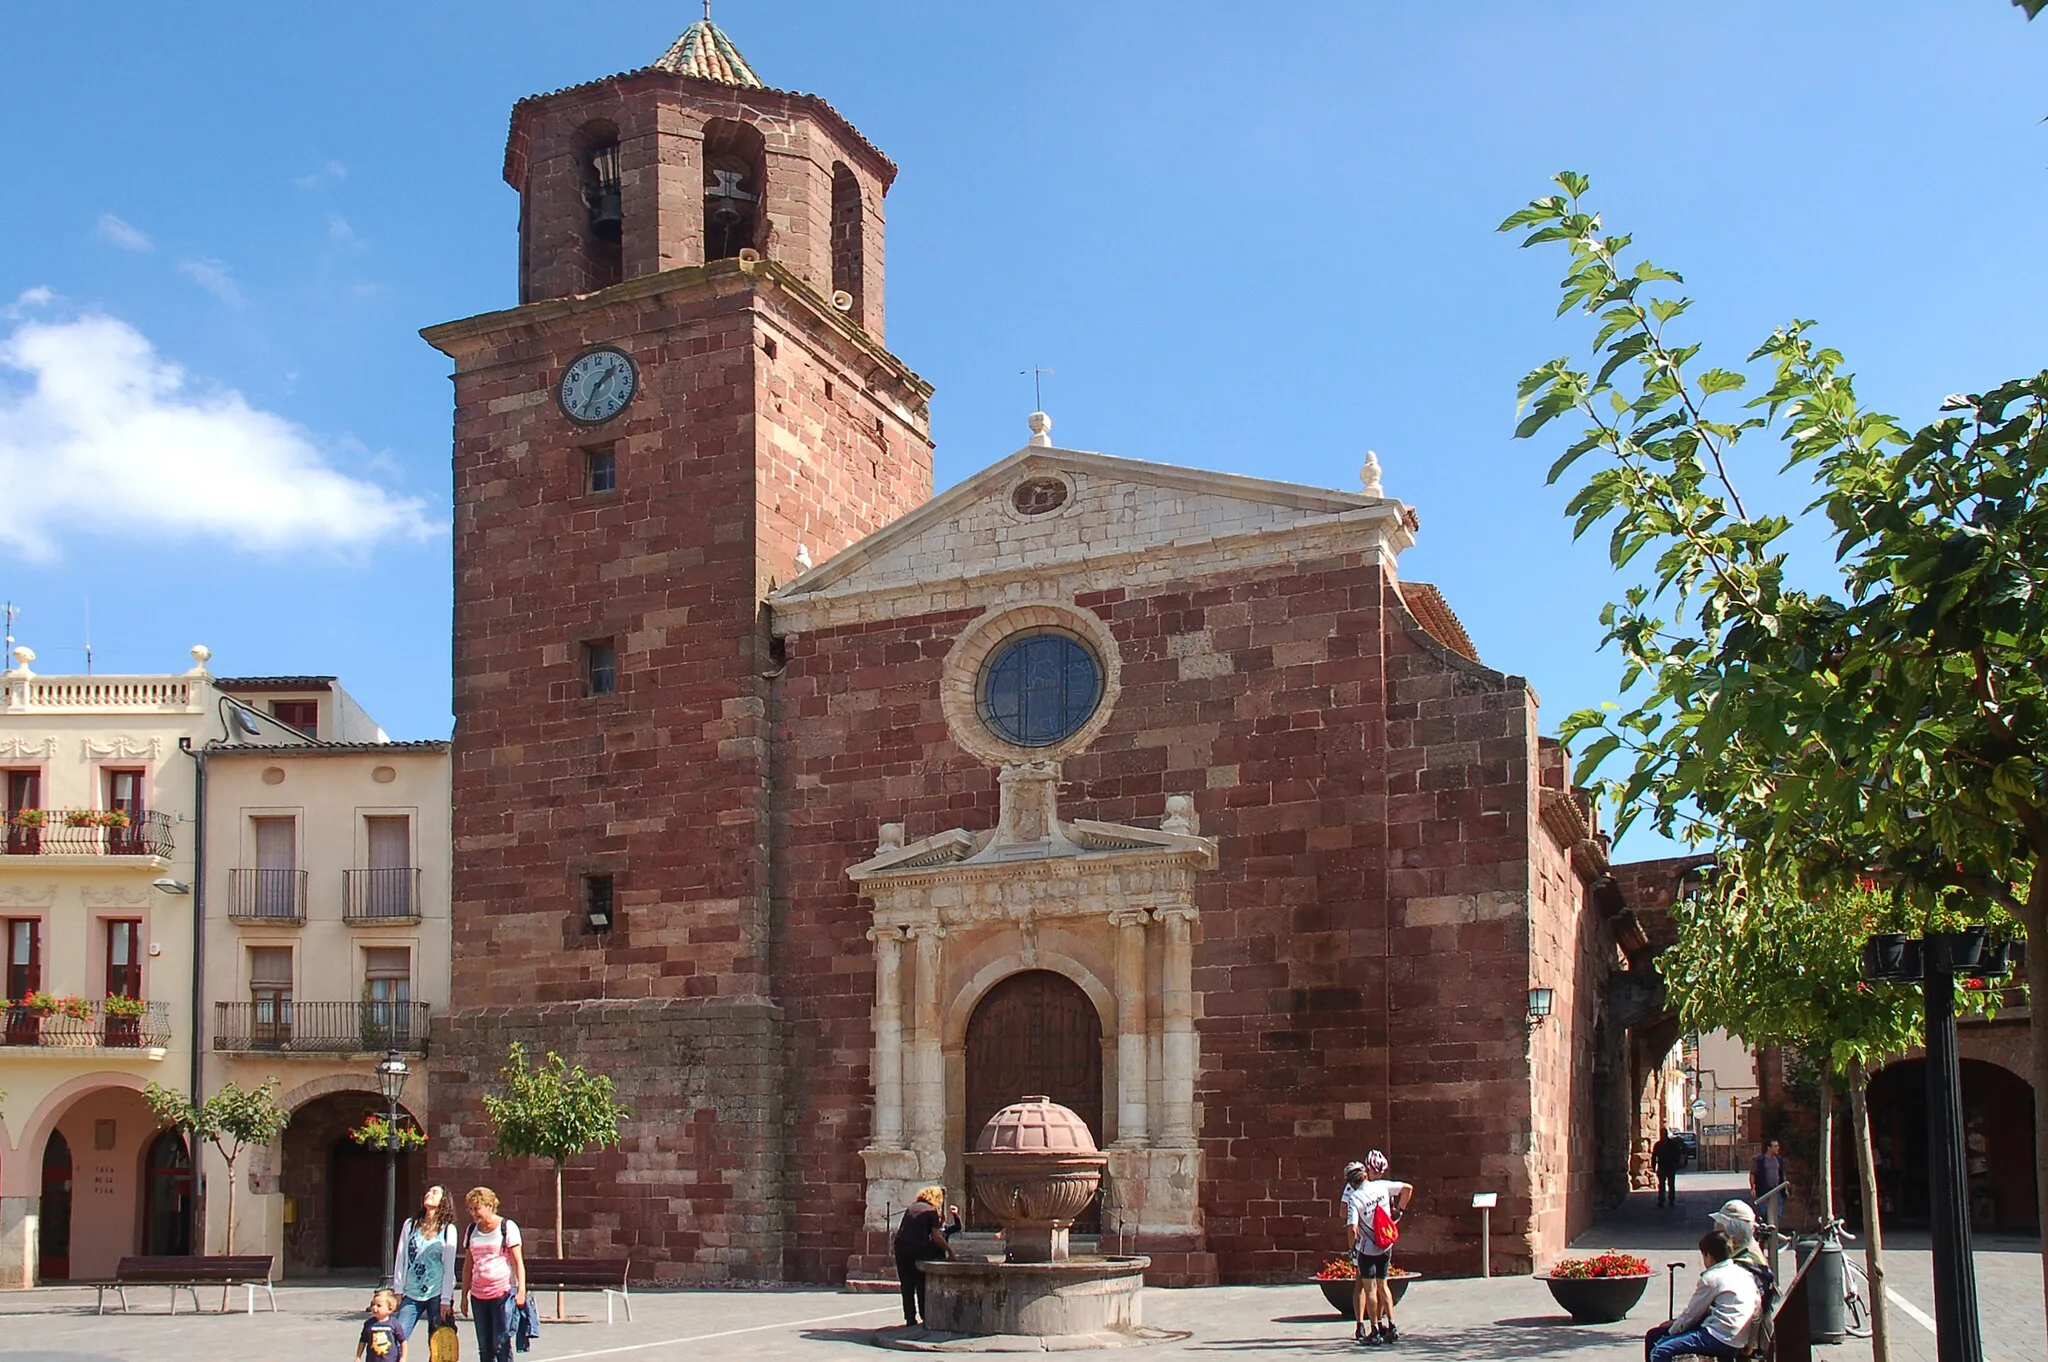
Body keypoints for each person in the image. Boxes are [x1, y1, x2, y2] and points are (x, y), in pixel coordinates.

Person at [1642, 1229, 1762, 1362]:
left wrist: (1671, 1330)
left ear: (1709, 1256)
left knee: (1660, 1351)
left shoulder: (1711, 1278)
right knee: (1653, 1335)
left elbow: (1691, 1315)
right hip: (1738, 1337)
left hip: (1719, 1337)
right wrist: (1751, 1342)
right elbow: (1757, 1309)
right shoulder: (1744, 1274)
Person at [1340, 1150, 1413, 1347]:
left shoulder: (1355, 1198)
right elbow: (1407, 1188)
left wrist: (1351, 1248)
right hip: (1385, 1244)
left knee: (1369, 1289)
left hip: (1368, 1248)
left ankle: (1373, 1330)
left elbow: (1352, 1228)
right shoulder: (1381, 1187)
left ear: (1351, 1181)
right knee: (1384, 1285)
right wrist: (1399, 1211)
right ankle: (1391, 1326)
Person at [460, 1186, 527, 1362]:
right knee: (484, 1348)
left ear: (490, 1206)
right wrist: (464, 1296)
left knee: (501, 1343)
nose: (474, 1214)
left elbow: (517, 1262)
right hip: (478, 1295)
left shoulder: (507, 1227)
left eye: (477, 1208)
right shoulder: (471, 1230)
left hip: (501, 1293)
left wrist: (521, 1291)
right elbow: (468, 1265)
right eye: (471, 1209)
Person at [392, 1184, 458, 1343]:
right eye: (428, 1191)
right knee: (397, 1336)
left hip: (436, 1291)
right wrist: (398, 1288)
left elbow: (449, 1267)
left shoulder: (448, 1229)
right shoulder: (411, 1224)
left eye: (434, 1192)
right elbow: (401, 1256)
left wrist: (446, 1299)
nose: (429, 1194)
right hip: (412, 1290)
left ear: (443, 1201)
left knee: (438, 1342)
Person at [893, 1185, 960, 1328]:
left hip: (900, 1246)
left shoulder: (912, 1207)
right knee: (921, 1282)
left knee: (907, 1284)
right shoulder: (931, 1211)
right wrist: (950, 1250)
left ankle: (910, 1318)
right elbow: (936, 1236)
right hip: (917, 1248)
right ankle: (925, 1316)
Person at [356, 1287, 412, 1362]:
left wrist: (403, 1358)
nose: (374, 1308)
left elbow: (403, 1341)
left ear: (390, 1309)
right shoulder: (369, 1324)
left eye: (379, 1305)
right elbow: (363, 1341)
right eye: (373, 1304)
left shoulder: (394, 1324)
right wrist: (358, 1356)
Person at [1750, 1139, 1787, 1227]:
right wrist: (1753, 1187)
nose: (1778, 1148)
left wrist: (1785, 1188)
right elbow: (1753, 1174)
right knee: (1764, 1212)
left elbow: (1782, 1174)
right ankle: (1766, 1227)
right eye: (1775, 1146)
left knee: (1778, 1212)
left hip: (1776, 1189)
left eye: (1778, 1146)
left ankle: (1774, 1229)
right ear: (1769, 1148)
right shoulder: (1760, 1160)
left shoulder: (1779, 1159)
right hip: (1763, 1190)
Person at [1651, 1130, 1686, 1207]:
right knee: (1662, 1185)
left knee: (1671, 1184)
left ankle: (1671, 1199)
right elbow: (1654, 1156)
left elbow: (1677, 1154)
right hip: (1662, 1166)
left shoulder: (1672, 1144)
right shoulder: (1658, 1145)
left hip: (1670, 1166)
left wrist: (1676, 1164)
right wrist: (1653, 1166)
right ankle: (1661, 1200)